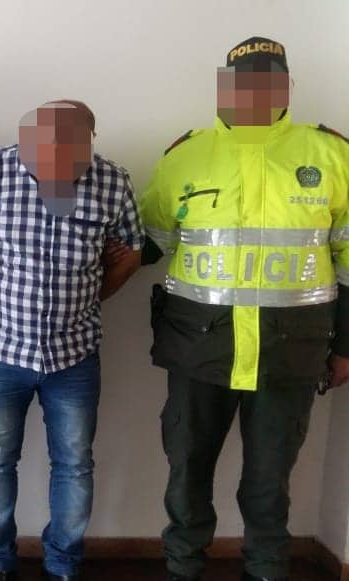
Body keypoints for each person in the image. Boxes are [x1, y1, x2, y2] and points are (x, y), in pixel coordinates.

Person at [138, 37, 349, 581]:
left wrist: (347, 347)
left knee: (268, 481)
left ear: (287, 87)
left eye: (269, 81)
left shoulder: (332, 156)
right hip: (199, 347)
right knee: (187, 470)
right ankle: (182, 568)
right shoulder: (186, 155)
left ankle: (267, 570)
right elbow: (149, 242)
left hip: (289, 352)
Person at [0, 100, 144, 581]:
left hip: (74, 353)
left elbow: (131, 252)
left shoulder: (112, 182)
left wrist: (88, 297)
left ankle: (62, 563)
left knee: (75, 464)